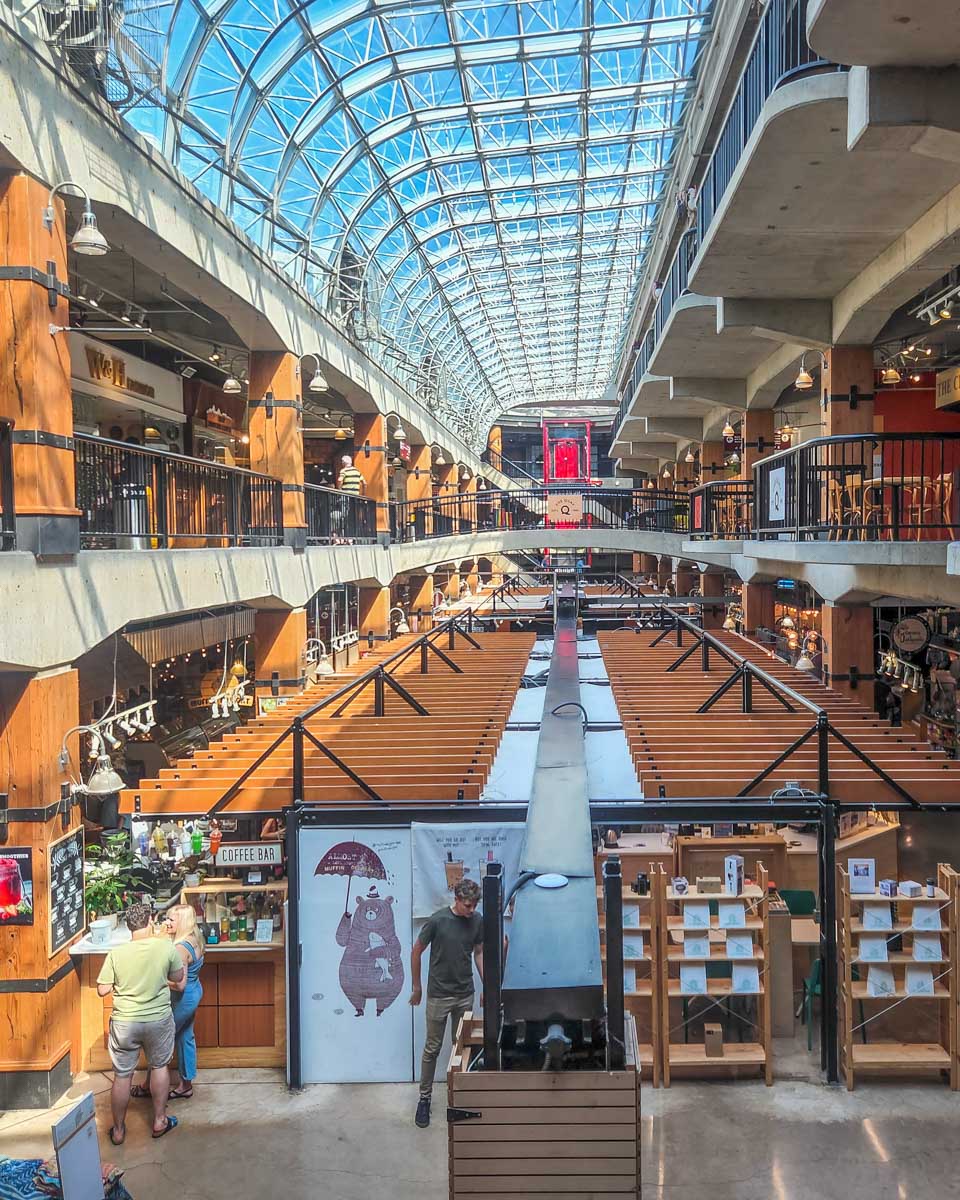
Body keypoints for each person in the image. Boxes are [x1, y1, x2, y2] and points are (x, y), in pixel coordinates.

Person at [96, 902, 185, 1144]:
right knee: (159, 1067)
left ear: (128, 926)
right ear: (150, 921)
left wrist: (122, 983)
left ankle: (117, 1130)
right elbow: (177, 977)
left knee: (123, 1075)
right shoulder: (165, 947)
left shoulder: (116, 953)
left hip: (125, 1021)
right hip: (158, 1019)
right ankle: (159, 1120)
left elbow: (102, 989)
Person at [409, 877, 483, 1129]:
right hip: (439, 995)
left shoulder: (477, 920)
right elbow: (416, 950)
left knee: (462, 1048)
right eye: (467, 905)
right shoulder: (438, 920)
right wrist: (417, 987)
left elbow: (479, 952)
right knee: (432, 1048)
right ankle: (424, 1099)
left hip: (465, 994)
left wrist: (487, 985)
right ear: (457, 900)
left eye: (474, 905)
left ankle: (460, 1097)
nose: (471, 910)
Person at [130, 904, 204, 1102]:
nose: (167, 922)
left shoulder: (180, 948)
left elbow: (179, 985)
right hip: (194, 991)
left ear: (183, 923)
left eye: (172, 920)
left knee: (158, 1043)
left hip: (182, 998)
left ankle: (148, 1085)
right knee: (185, 1036)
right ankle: (185, 1085)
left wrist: (157, 979)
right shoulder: (194, 937)